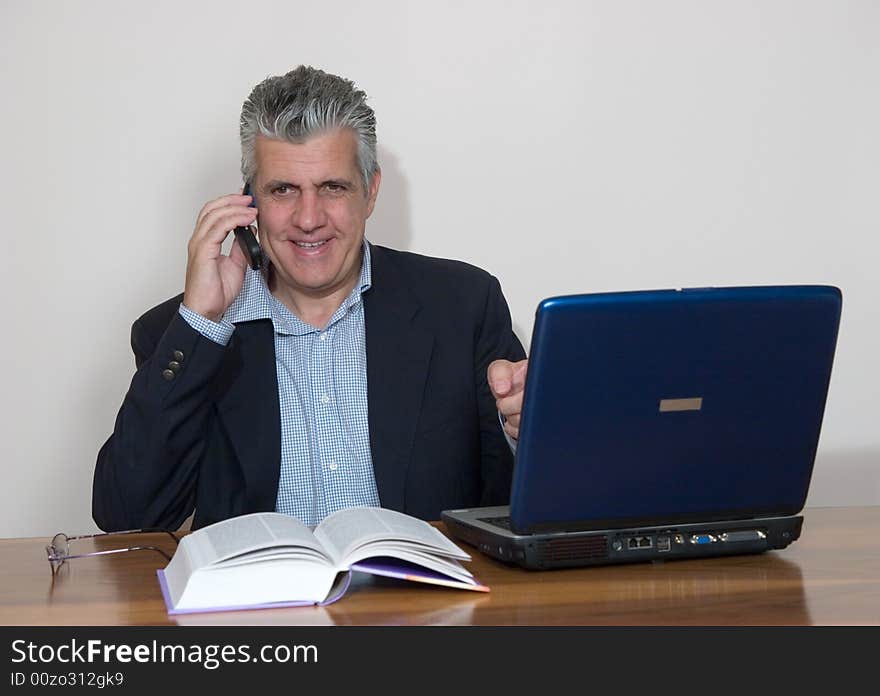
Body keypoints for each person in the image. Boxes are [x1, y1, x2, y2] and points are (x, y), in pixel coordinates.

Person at [93, 66, 528, 532]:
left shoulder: (462, 304)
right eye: (283, 190)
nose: (308, 219)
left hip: (421, 596)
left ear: (371, 192)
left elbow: (510, 508)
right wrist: (201, 322)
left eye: (332, 188)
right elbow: (128, 517)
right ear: (248, 203)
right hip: (256, 601)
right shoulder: (178, 333)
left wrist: (526, 436)